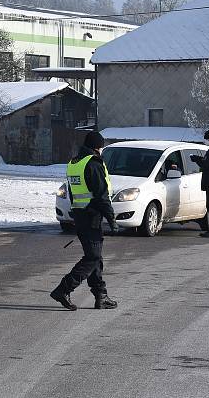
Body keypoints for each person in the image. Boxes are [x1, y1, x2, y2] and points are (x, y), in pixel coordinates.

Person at [50, 131, 119, 310]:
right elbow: (101, 194)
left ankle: (101, 296)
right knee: (92, 257)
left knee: (95, 257)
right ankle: (63, 289)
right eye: (101, 146)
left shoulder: (74, 163)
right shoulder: (94, 163)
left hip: (80, 215)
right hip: (91, 216)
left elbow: (73, 192)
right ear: (97, 146)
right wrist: (111, 219)